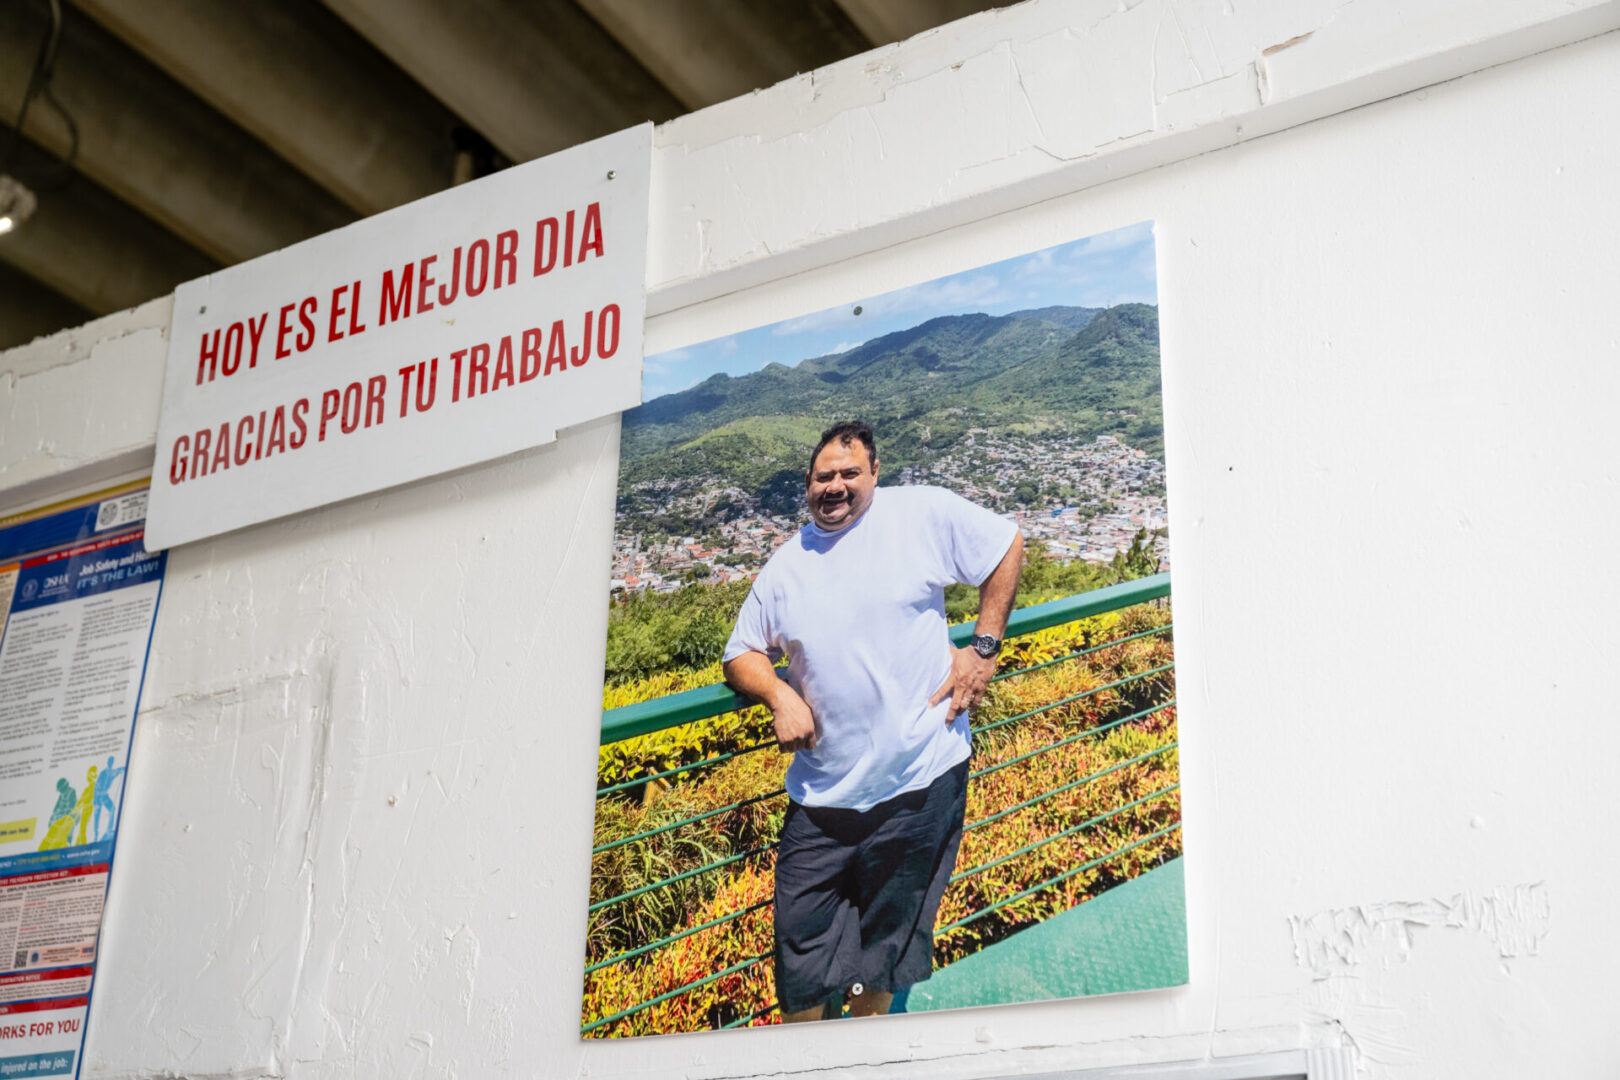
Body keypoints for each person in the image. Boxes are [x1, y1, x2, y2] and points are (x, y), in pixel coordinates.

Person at [722, 420, 1023, 1022]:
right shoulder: (786, 566)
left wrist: (983, 648)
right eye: (822, 477)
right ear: (807, 485)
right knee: (801, 961)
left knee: (885, 946)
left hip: (921, 782)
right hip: (823, 800)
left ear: (874, 475)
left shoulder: (918, 515)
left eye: (848, 473)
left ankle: (865, 1045)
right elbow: (740, 654)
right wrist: (779, 695)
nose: (834, 486)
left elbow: (1006, 544)